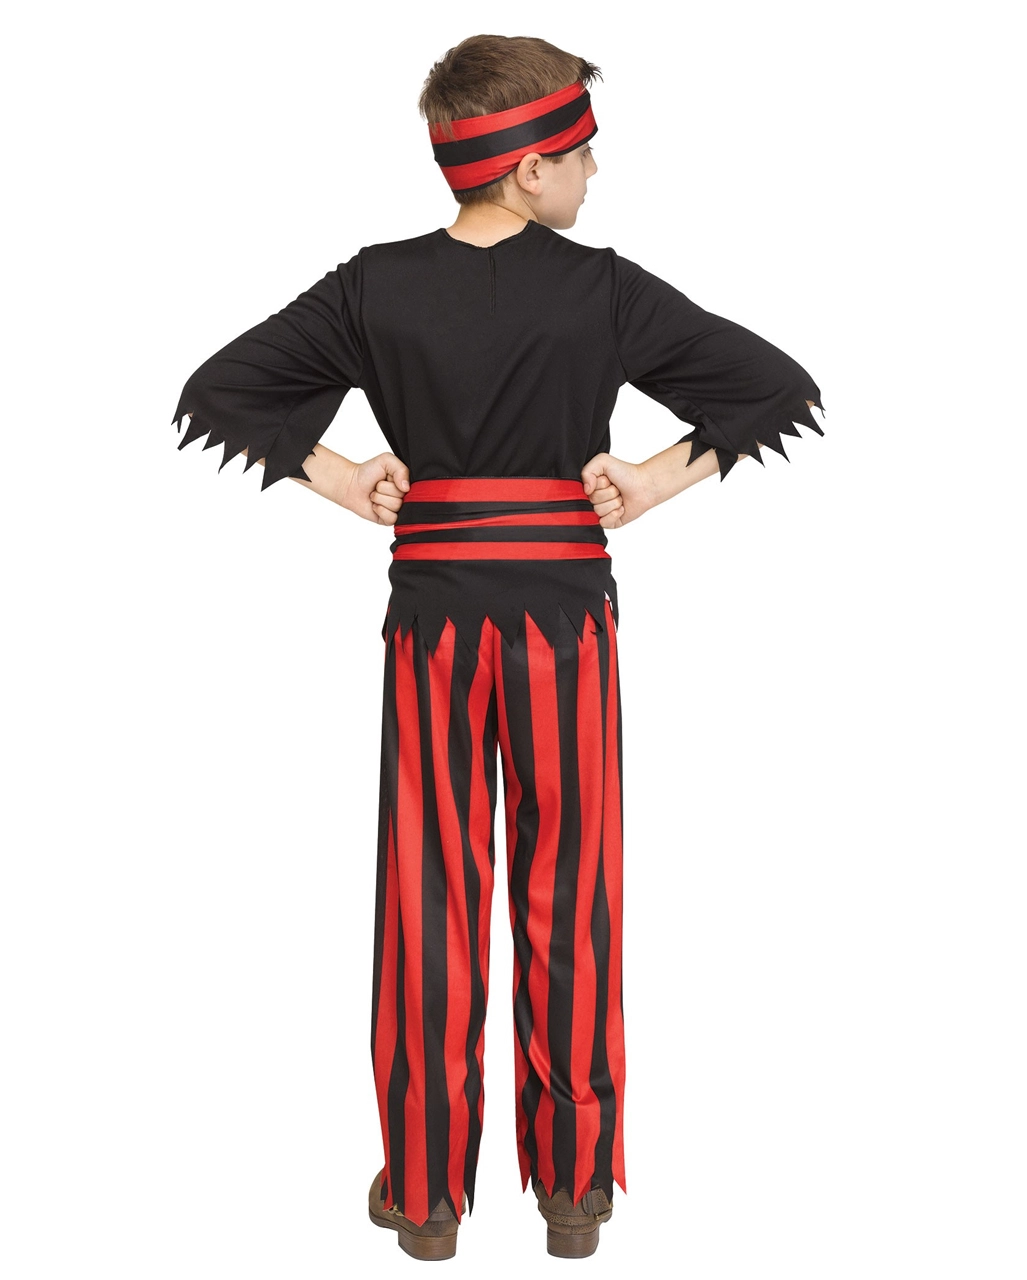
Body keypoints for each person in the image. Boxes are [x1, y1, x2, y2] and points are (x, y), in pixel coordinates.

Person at [170, 33, 825, 1262]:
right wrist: (651, 479)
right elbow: (773, 385)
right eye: (581, 153)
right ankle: (574, 1186)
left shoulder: (373, 288)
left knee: (426, 888)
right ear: (528, 167)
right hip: (564, 621)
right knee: (573, 885)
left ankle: (424, 1190)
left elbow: (222, 387)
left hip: (432, 621)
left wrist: (343, 474)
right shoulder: (604, 290)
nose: (593, 173)